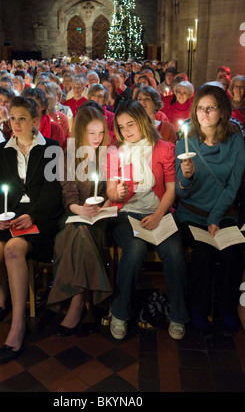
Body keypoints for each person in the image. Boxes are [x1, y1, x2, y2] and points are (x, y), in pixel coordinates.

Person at [0, 96, 63, 363]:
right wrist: (1, 216)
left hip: (41, 219)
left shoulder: (52, 148)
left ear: (35, 121)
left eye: (22, 119)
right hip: (11, 217)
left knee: (14, 249)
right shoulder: (3, 151)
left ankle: (17, 326)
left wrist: (32, 215)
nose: (16, 124)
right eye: (12, 119)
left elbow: (53, 193)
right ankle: (1, 292)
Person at [105, 100, 189, 341]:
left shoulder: (164, 148)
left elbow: (171, 190)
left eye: (131, 124)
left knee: (174, 252)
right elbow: (111, 192)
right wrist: (116, 193)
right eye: (121, 127)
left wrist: (157, 215)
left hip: (159, 211)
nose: (126, 131)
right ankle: (120, 312)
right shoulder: (115, 152)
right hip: (126, 214)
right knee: (134, 249)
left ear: (143, 121)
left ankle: (178, 315)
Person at [175, 84, 245, 336]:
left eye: (210, 108)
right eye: (200, 108)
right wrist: (187, 178)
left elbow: (232, 186)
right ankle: (197, 309)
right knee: (203, 252)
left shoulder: (235, 142)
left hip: (223, 214)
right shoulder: (185, 142)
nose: (204, 113)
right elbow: (181, 193)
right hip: (191, 214)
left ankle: (227, 309)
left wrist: (215, 218)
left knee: (234, 252)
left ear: (222, 111)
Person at [47, 104, 112, 335]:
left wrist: (104, 205)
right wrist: (78, 209)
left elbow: (111, 194)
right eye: (91, 133)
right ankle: (86, 303)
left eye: (101, 132)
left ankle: (75, 304)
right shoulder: (67, 157)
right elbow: (68, 196)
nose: (97, 138)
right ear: (82, 132)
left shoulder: (110, 156)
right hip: (74, 213)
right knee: (76, 231)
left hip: (101, 217)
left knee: (82, 233)